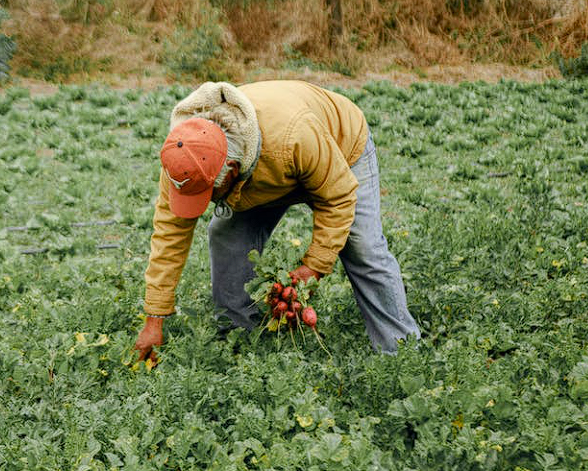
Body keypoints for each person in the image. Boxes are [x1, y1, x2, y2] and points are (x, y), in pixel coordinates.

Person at [133, 80, 420, 360]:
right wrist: (154, 318)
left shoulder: (294, 135)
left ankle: (400, 350)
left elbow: (339, 198)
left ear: (231, 170)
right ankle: (239, 340)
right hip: (265, 170)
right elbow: (169, 235)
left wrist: (314, 266)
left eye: (209, 193)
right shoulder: (186, 159)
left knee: (363, 248)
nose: (205, 201)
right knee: (226, 236)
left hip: (339, 148)